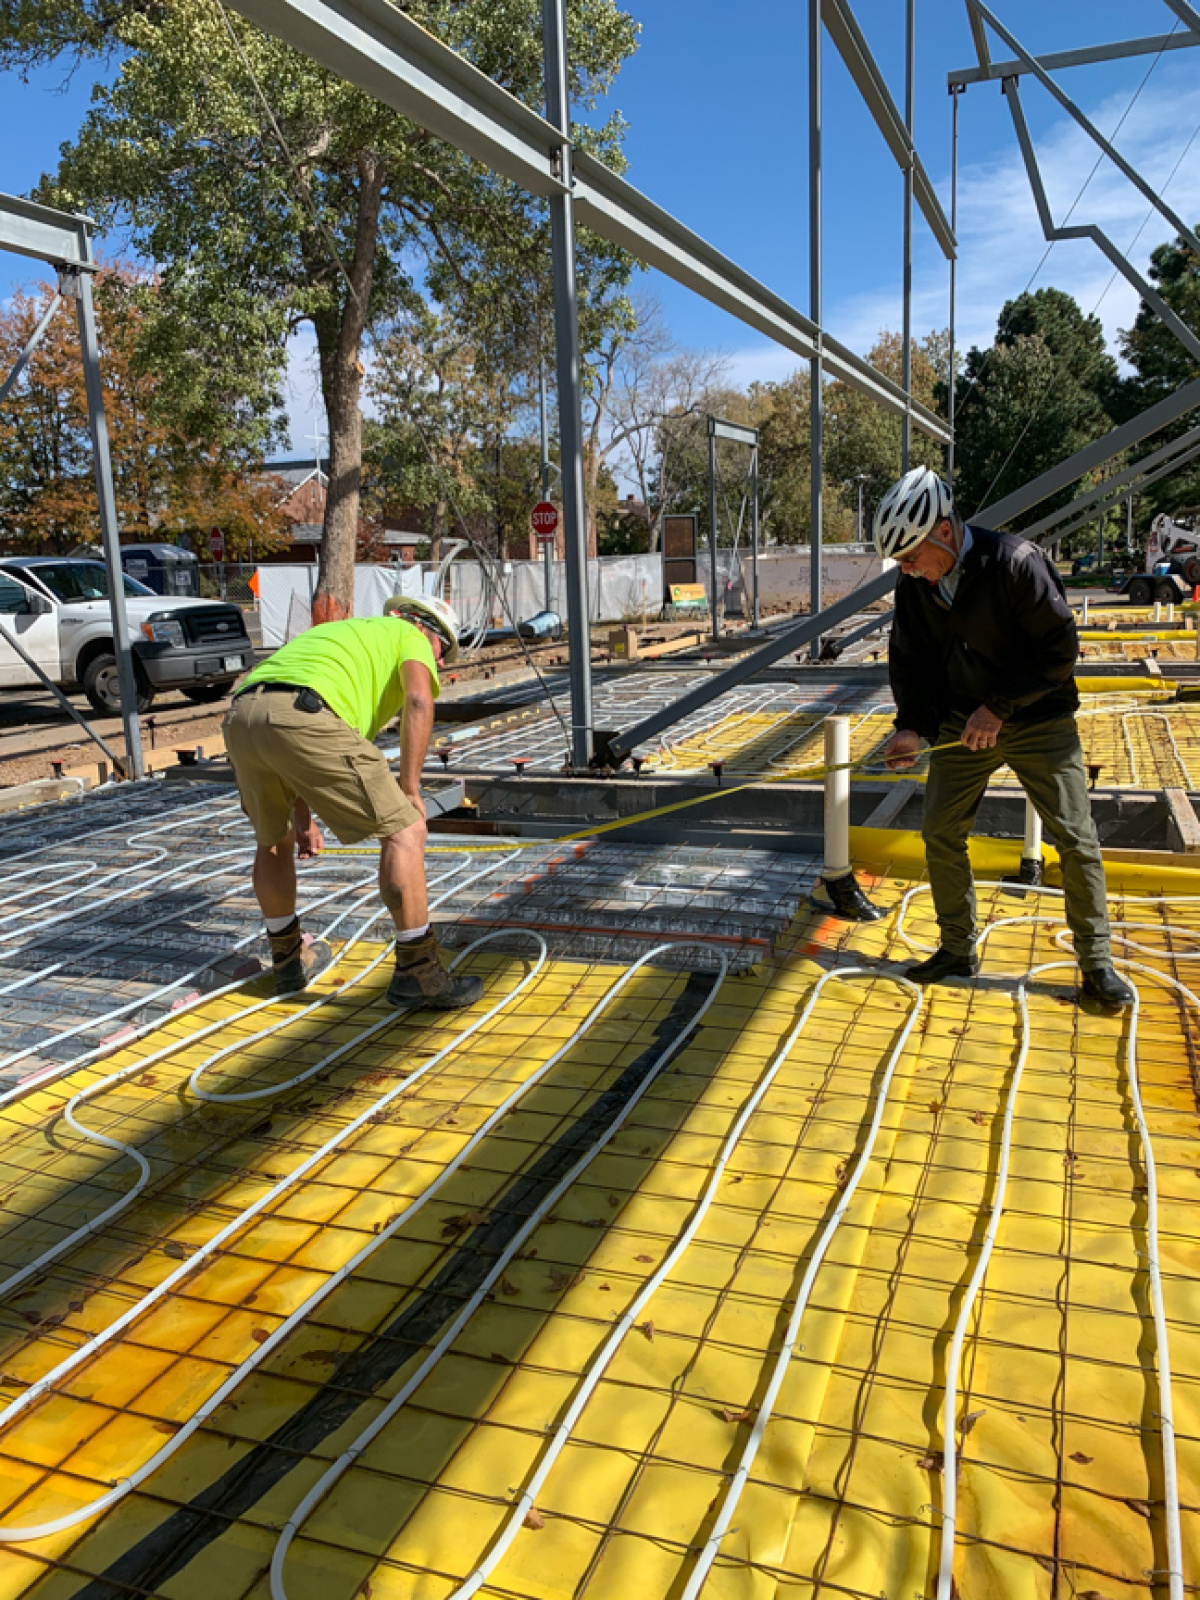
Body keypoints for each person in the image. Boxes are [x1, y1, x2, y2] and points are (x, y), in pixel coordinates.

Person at [875, 465, 1133, 1009]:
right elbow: (912, 662)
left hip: (1038, 719)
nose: (908, 569)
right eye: (900, 561)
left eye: (912, 555)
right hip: (961, 720)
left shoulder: (1016, 563)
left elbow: (1059, 652)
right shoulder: (914, 587)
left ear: (943, 531)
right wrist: (911, 728)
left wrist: (998, 708)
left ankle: (1096, 965)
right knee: (941, 831)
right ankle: (957, 949)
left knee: (1076, 839)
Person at [222, 594, 482, 1011]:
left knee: (273, 839)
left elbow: (288, 711)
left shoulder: (339, 637)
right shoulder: (408, 636)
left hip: (243, 715)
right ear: (422, 627)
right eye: (441, 649)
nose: (441, 662)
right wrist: (411, 790)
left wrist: (302, 817)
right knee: (405, 830)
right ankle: (419, 973)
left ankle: (288, 961)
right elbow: (418, 701)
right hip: (303, 713)